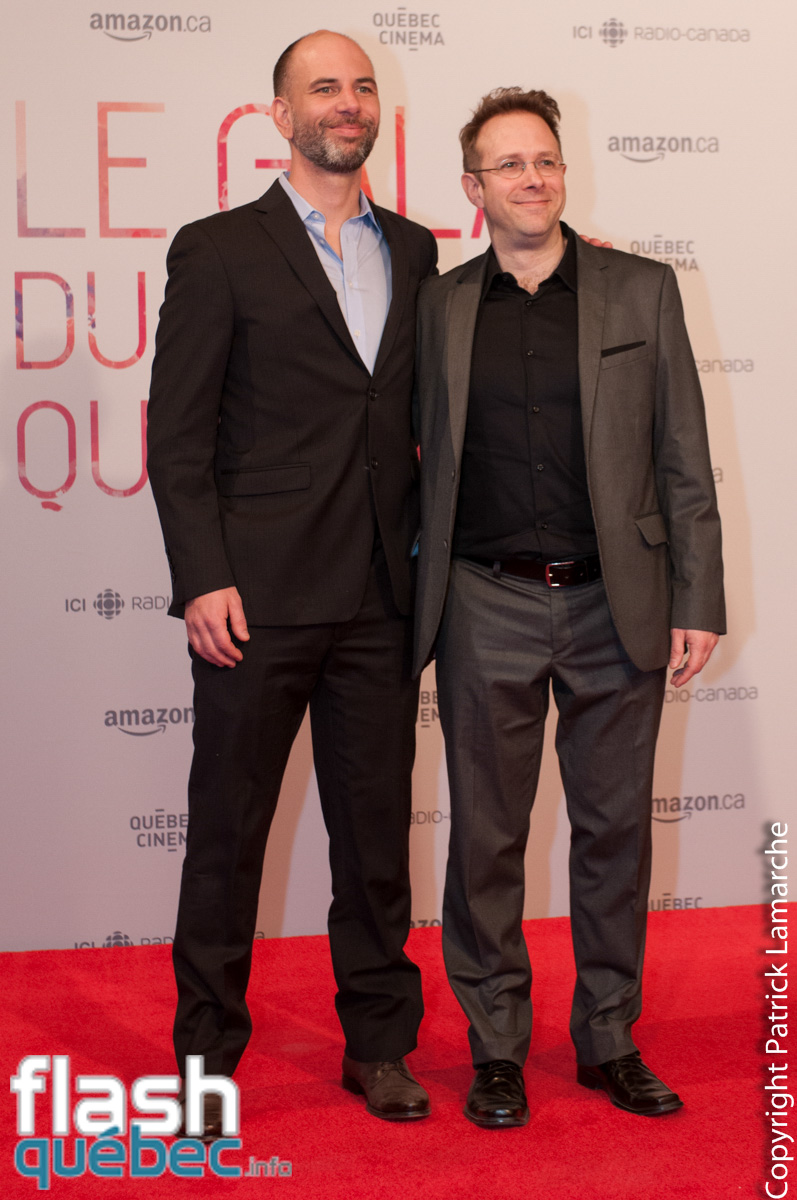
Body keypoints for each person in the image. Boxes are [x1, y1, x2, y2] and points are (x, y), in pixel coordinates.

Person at [412, 87, 724, 1128]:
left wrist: (696, 595)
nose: (531, 177)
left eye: (542, 159)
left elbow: (682, 453)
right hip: (482, 599)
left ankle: (607, 1039)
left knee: (613, 836)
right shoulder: (439, 307)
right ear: (473, 188)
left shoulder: (641, 290)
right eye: (507, 164)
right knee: (484, 842)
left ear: (562, 169)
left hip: (615, 602)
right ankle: (496, 1047)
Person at [147, 29, 438, 1131]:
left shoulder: (415, 249)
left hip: (379, 596)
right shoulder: (217, 248)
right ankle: (203, 1065)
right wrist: (202, 577)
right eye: (323, 88)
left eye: (361, 86)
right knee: (227, 839)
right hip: (254, 602)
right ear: (280, 114)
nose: (346, 103)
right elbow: (178, 437)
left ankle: (379, 1046)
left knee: (374, 843)